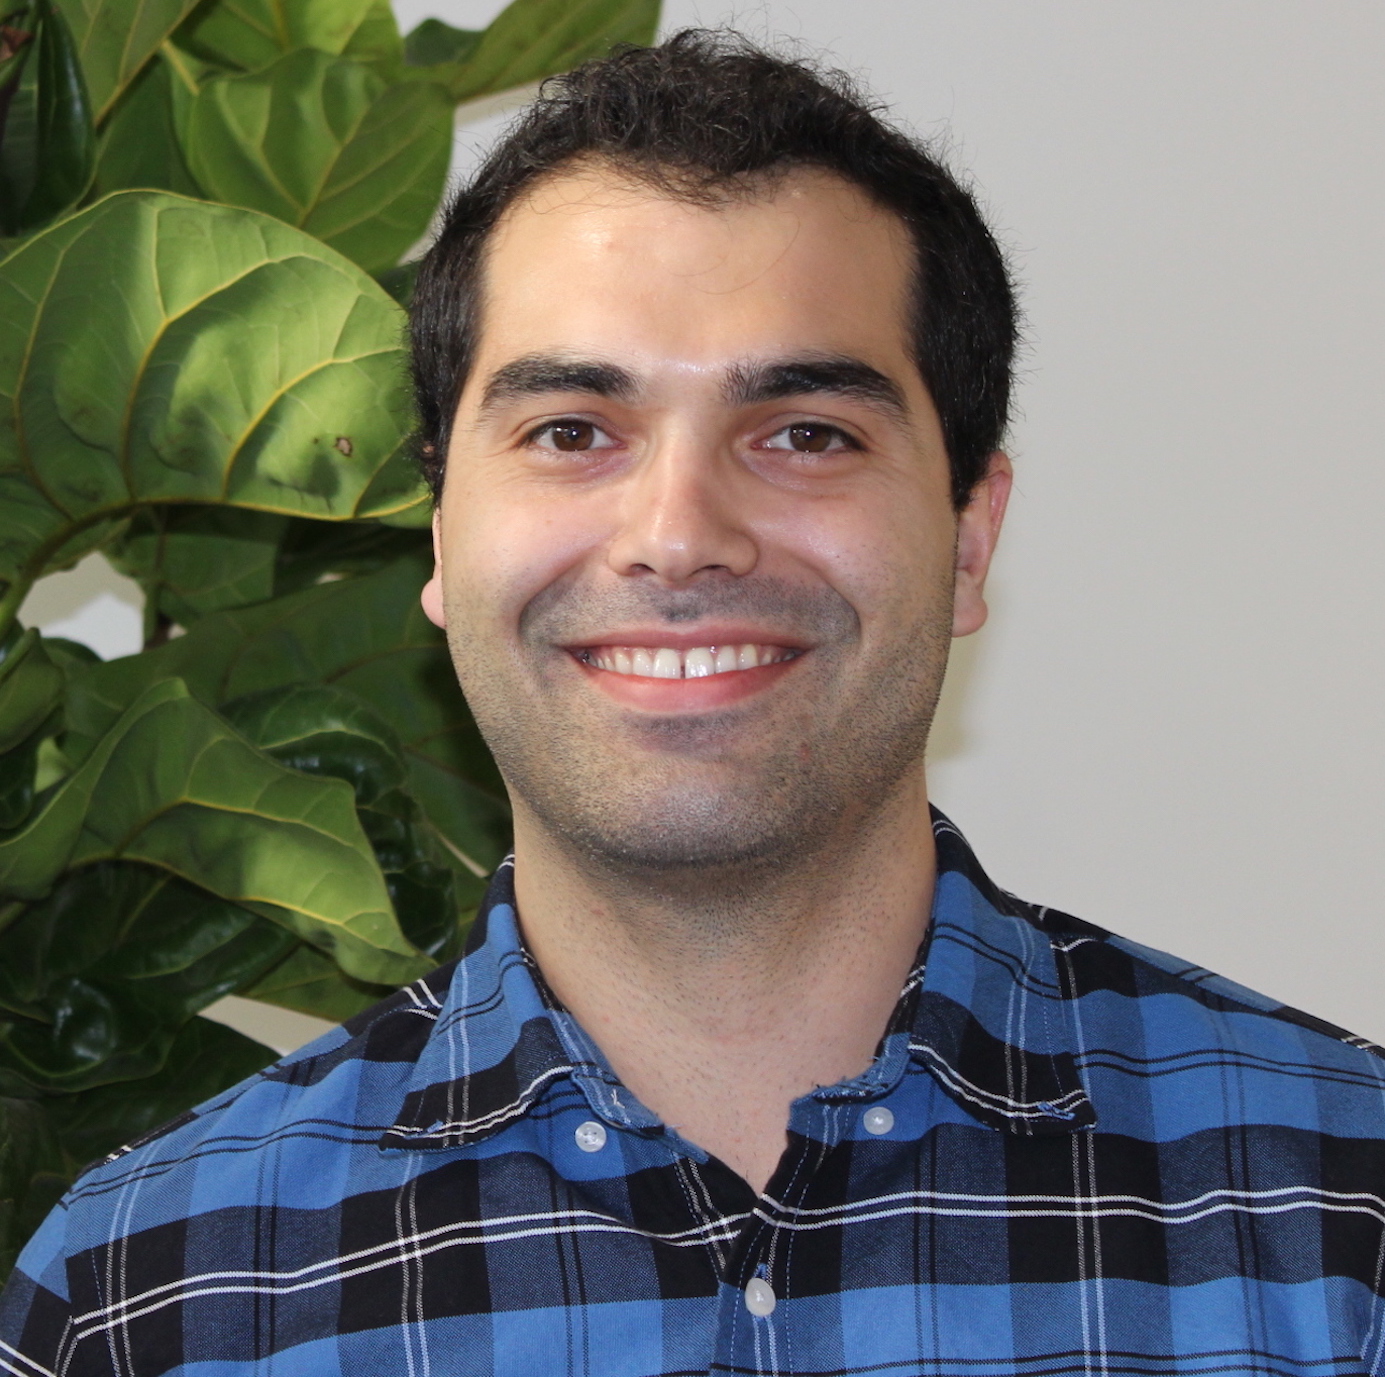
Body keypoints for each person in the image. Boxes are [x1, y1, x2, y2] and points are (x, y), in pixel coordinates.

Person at [4, 29, 1385, 1377]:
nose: (677, 536)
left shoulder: (1348, 1214)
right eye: (570, 432)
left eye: (805, 434)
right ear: (440, 535)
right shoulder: (143, 1301)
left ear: (969, 539)